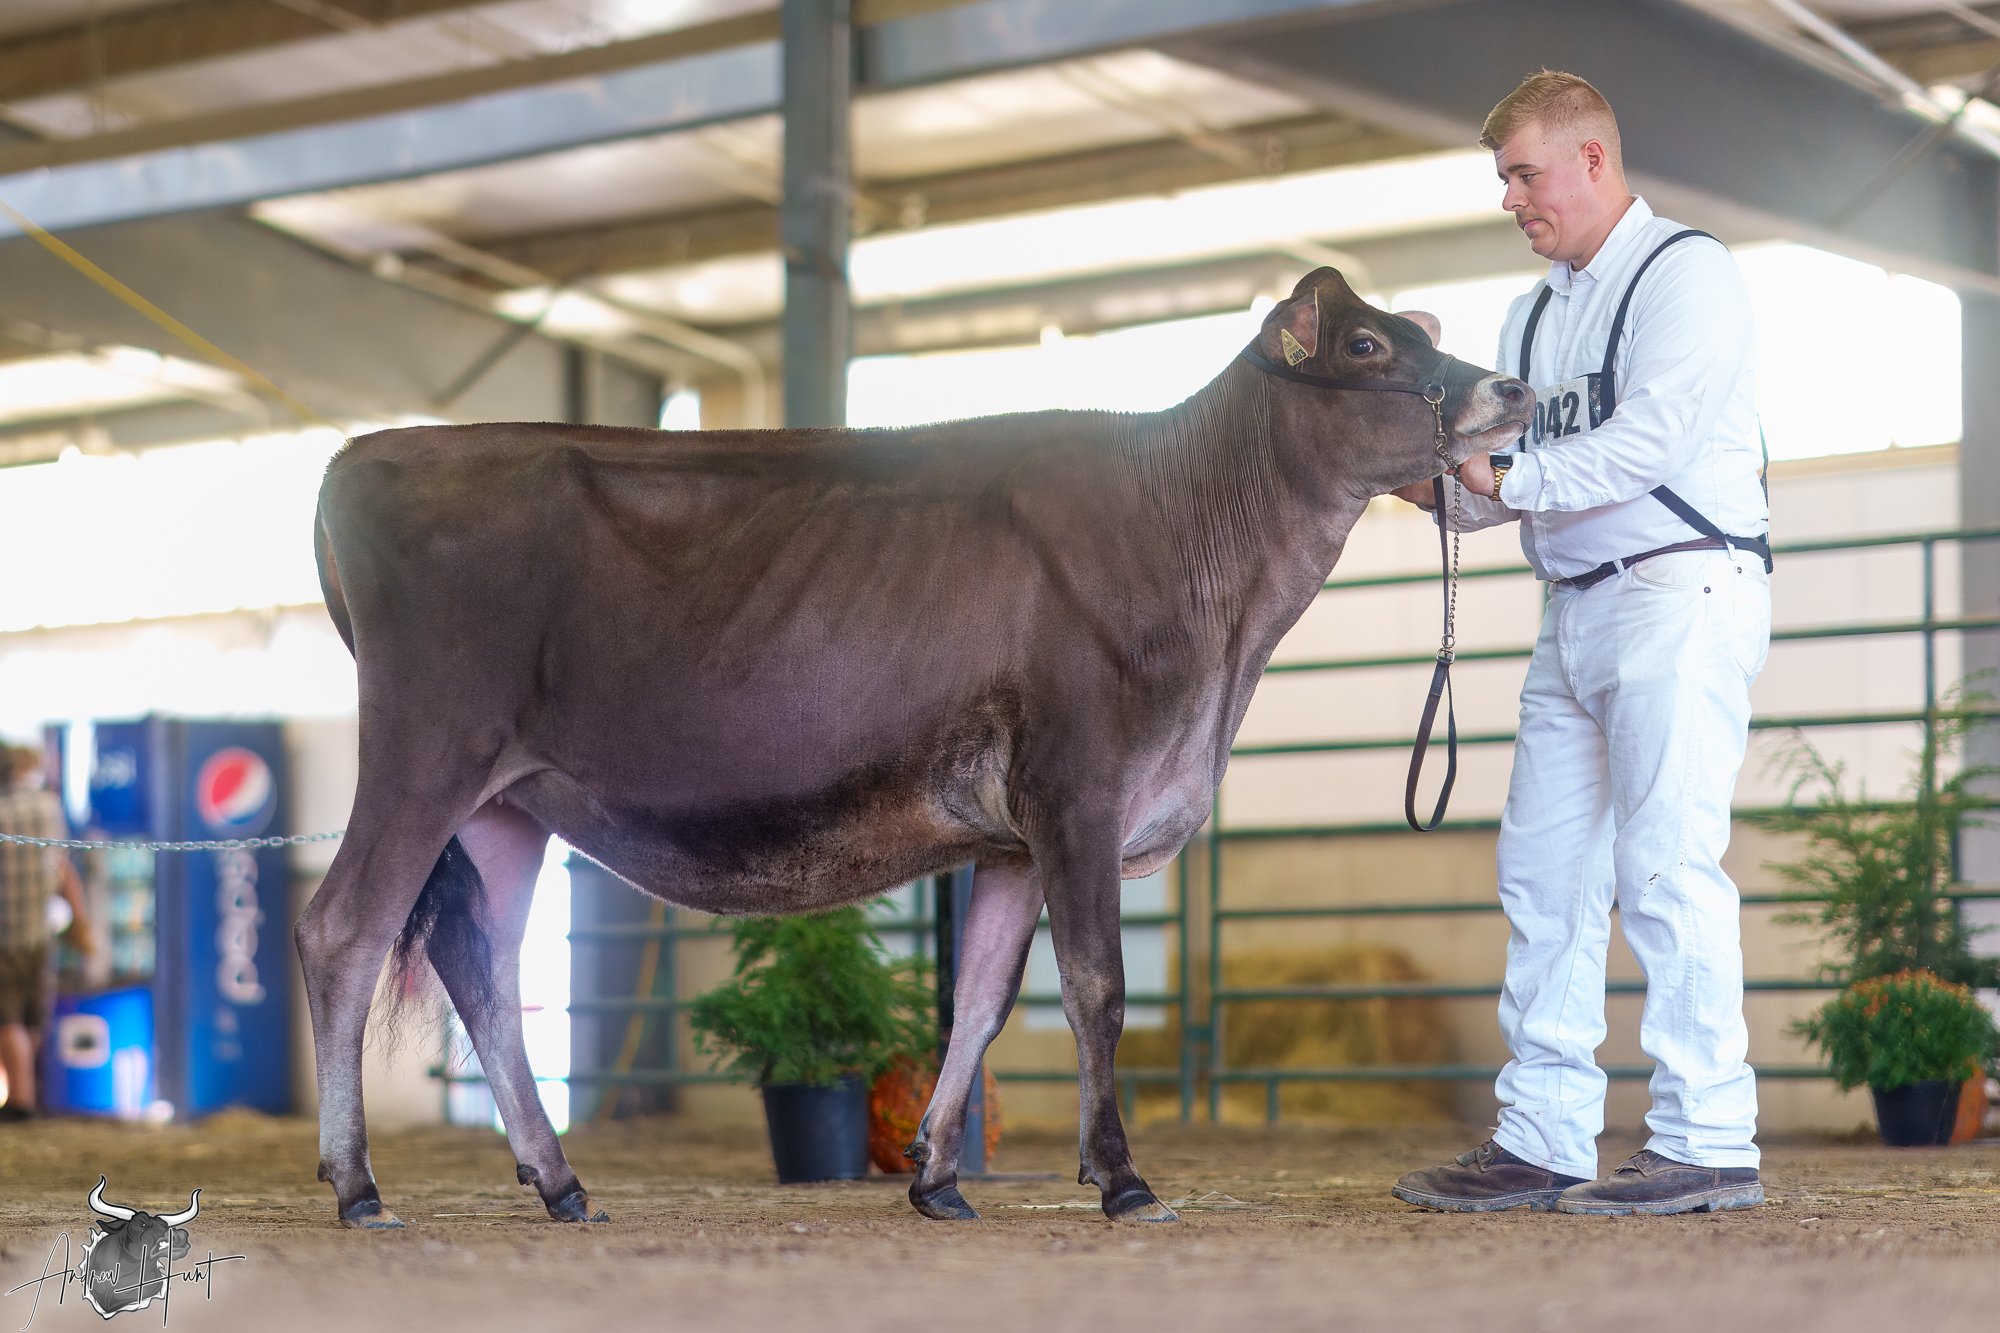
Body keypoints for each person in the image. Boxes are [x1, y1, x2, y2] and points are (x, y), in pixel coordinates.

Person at [1389, 71, 1771, 1215]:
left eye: (1522, 173)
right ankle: (1542, 1134)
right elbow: (1501, 489)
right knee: (1543, 876)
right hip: (1571, 606)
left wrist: (1494, 476)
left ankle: (1707, 1137)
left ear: (1590, 159)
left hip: (1677, 589)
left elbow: (1646, 443)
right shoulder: (1531, 314)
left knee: (1663, 864)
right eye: (1503, 178)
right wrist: (1412, 477)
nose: (1509, 197)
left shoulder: (1685, 273)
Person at [0, 743, 96, 1120]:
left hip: (4, 934)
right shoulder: (48, 807)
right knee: (30, 1018)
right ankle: (27, 1094)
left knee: (7, 1020)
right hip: (41, 932)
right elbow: (62, 866)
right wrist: (81, 920)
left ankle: (20, 1103)